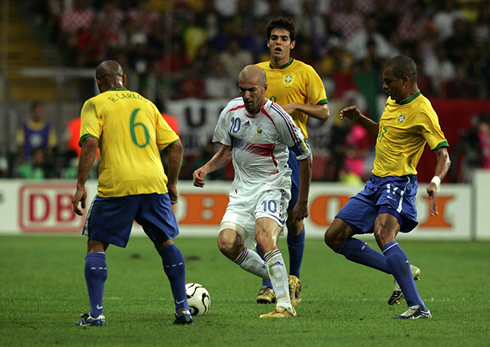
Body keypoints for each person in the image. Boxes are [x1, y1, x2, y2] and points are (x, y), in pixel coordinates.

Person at [324, 55, 451, 319]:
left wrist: (436, 182)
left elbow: (443, 155)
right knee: (334, 237)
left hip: (398, 181)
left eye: (388, 81)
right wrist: (360, 119)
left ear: (405, 80)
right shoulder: (393, 101)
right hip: (375, 183)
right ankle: (404, 269)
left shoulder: (423, 110)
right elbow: (385, 133)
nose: (384, 86)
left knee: (383, 233)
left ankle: (418, 307)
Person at [72, 60, 193, 326]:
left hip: (118, 183)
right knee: (165, 242)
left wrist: (80, 185)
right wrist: (172, 183)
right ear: (123, 78)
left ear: (99, 82)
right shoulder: (146, 104)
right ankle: (183, 310)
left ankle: (96, 314)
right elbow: (176, 147)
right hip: (153, 182)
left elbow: (90, 141)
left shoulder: (95, 103)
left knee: (96, 244)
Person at [192, 65, 312, 318]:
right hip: (242, 191)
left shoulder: (279, 117)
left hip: (273, 185)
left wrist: (302, 201)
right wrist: (206, 168)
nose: (247, 95)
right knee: (227, 243)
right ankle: (286, 281)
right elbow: (226, 150)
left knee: (263, 237)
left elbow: (306, 156)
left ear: (265, 89)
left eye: (252, 90)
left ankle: (284, 305)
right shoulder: (231, 110)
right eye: (242, 90)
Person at [254, 17, 330, 305]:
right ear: (268, 41)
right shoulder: (257, 72)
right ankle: (268, 282)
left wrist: (297, 106)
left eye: (283, 38)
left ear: (292, 44)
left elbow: (324, 112)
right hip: (262, 152)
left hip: (292, 152)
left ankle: (293, 278)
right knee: (263, 216)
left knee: (294, 217)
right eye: (274, 37)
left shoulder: (305, 73)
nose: (278, 42)